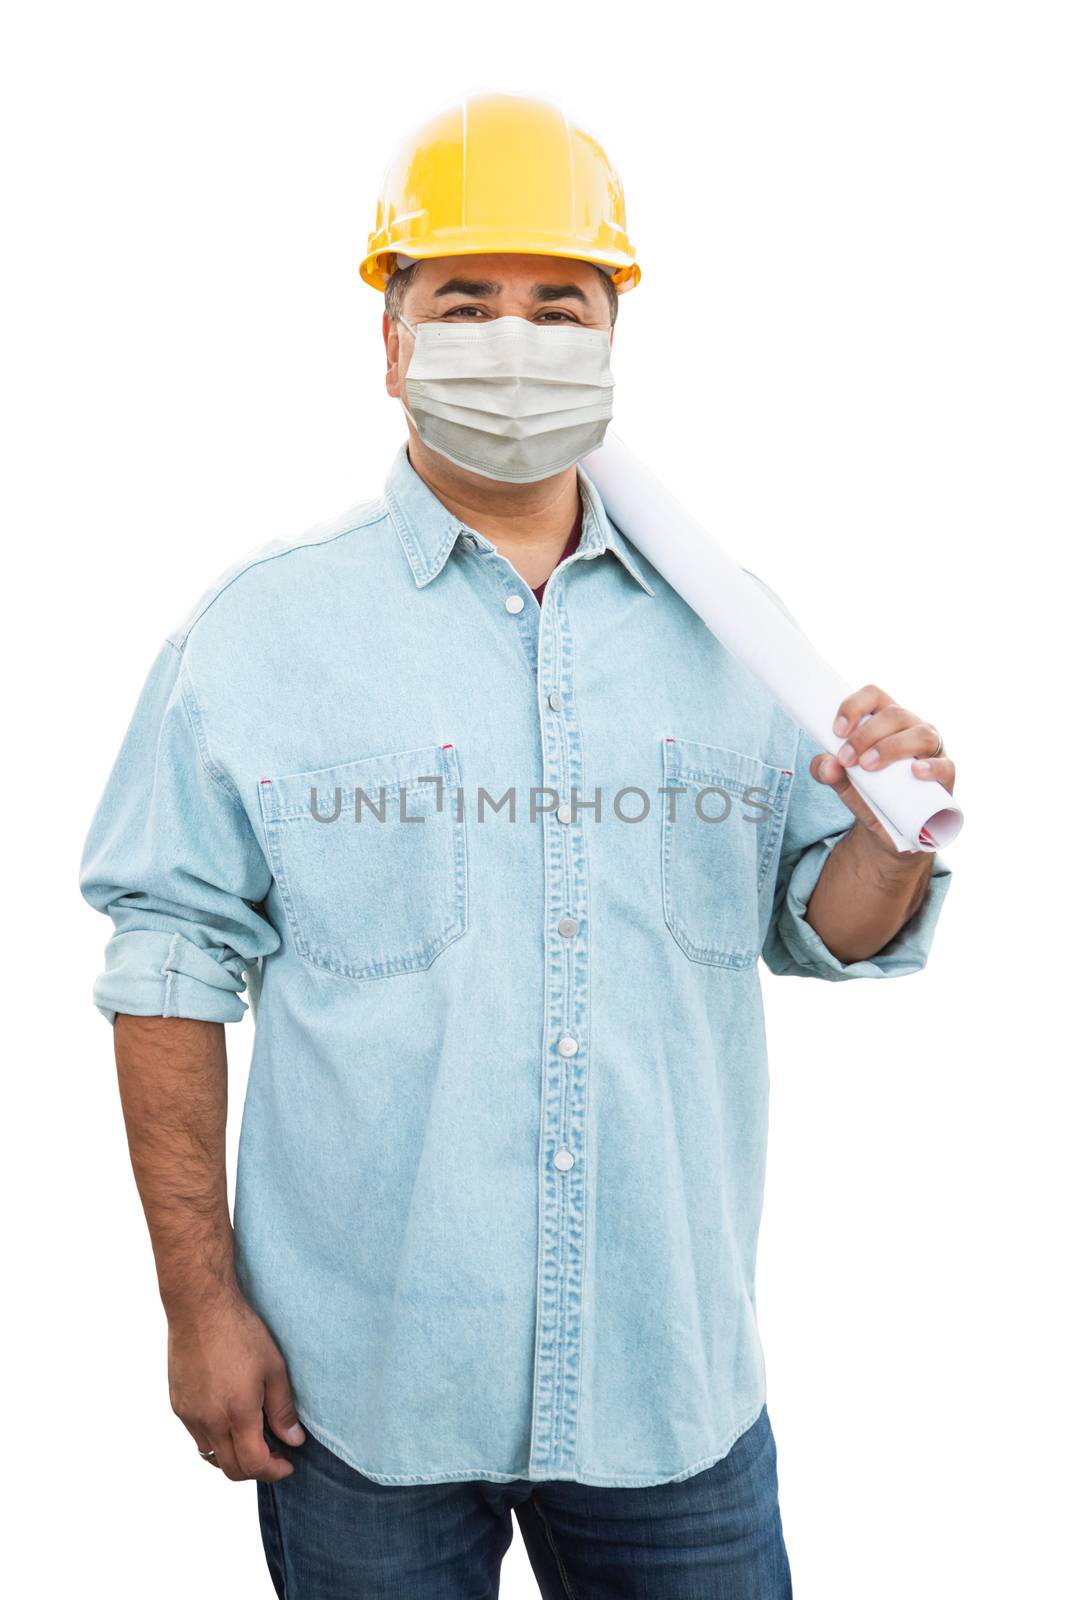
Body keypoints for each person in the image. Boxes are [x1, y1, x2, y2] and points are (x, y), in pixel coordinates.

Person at [80, 90, 955, 1599]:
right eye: (463, 298)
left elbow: (830, 924)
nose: (512, 336)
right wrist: (197, 1301)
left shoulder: (730, 629)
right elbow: (168, 963)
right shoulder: (259, 636)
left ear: (610, 341)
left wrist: (894, 827)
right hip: (360, 1393)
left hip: (664, 1385)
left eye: (558, 303)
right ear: (392, 340)